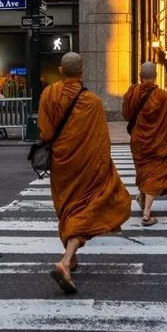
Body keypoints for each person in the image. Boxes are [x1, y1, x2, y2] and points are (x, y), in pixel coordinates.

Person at [37, 62, 134, 293]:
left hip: (62, 163)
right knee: (84, 207)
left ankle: (71, 257)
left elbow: (45, 131)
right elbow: (102, 141)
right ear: (82, 71)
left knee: (69, 205)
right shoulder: (94, 102)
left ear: (61, 70)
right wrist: (104, 166)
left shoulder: (49, 94)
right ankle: (66, 260)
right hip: (87, 164)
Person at [121, 64, 167, 228]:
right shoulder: (161, 96)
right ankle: (146, 213)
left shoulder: (133, 92)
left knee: (144, 172)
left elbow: (126, 115)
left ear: (140, 75)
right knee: (153, 174)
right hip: (157, 141)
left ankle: (144, 201)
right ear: (155, 75)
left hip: (138, 140)